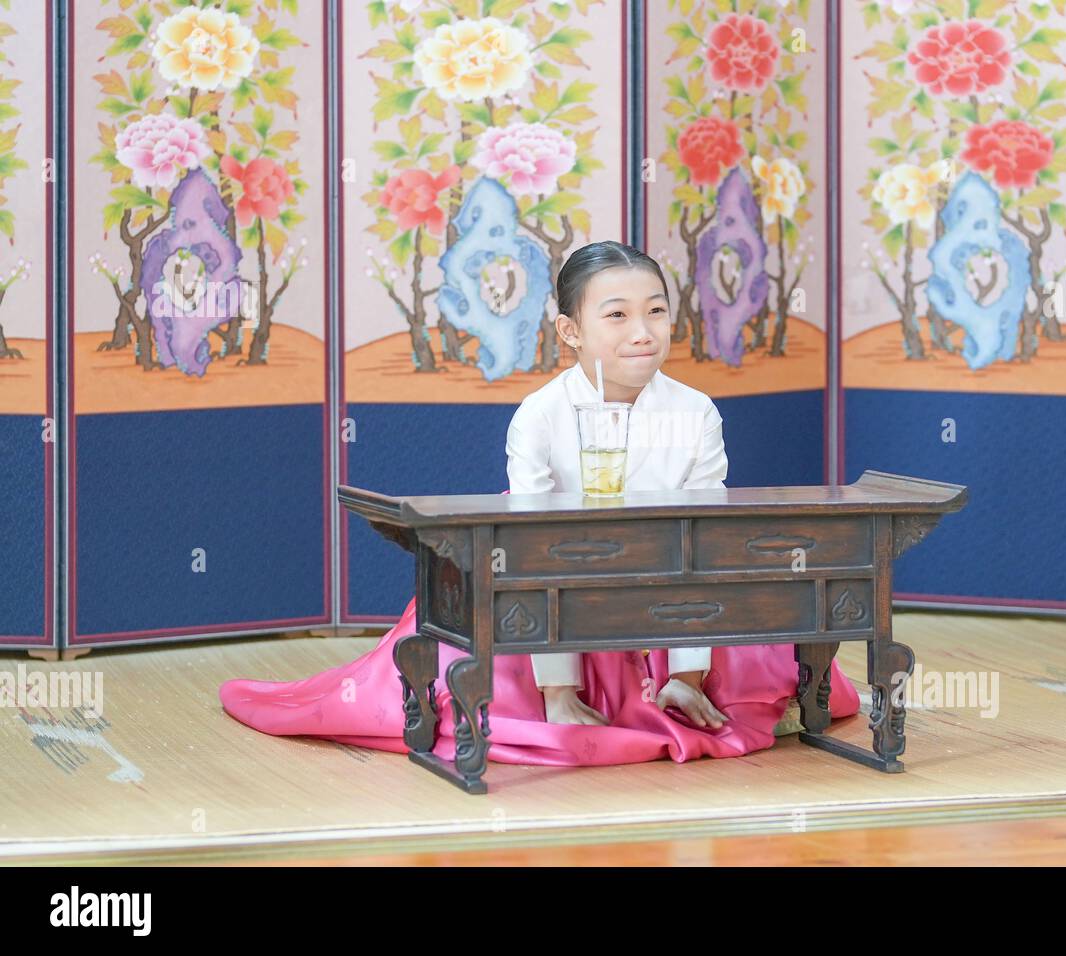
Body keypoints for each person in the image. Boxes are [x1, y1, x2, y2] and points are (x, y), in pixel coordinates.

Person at [218, 240, 860, 767]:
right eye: (616, 315)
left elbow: (704, 541)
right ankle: (554, 698)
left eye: (657, 311)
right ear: (569, 330)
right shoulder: (541, 416)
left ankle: (683, 689)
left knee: (753, 640)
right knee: (475, 658)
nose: (643, 332)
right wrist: (558, 686)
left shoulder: (695, 412)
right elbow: (531, 543)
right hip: (546, 582)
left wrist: (689, 673)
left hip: (668, 587)